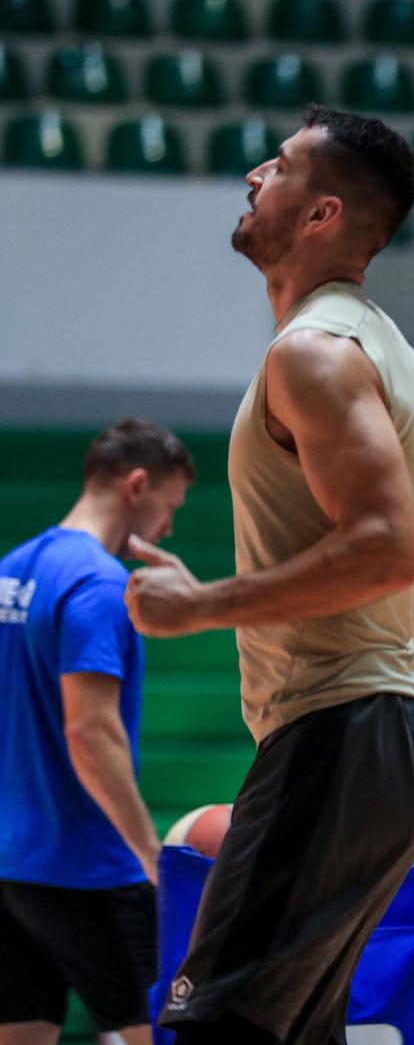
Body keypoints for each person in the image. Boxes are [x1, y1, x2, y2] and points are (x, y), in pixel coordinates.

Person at [123, 106, 414, 1044]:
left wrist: (197, 608)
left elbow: (390, 545)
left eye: (275, 168)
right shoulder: (387, 352)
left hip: (338, 741)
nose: (251, 179)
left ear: (321, 215)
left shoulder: (313, 353)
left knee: (211, 1027)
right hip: (379, 743)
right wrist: (394, 648)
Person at [0, 418, 194, 1045]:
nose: (168, 528)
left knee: (22, 1034)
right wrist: (149, 854)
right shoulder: (100, 586)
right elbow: (90, 732)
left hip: (9, 864)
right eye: (169, 507)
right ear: (138, 485)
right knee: (160, 1035)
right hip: (86, 868)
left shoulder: (10, 572)